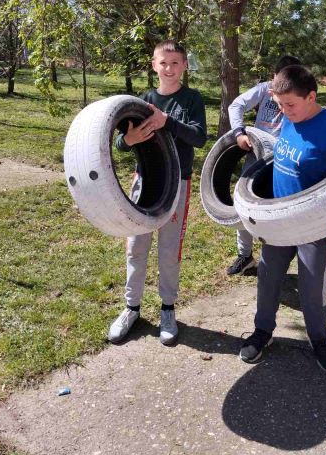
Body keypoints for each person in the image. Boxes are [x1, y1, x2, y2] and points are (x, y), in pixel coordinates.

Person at [239, 65, 326, 372]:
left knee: (312, 288)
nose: (284, 111)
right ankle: (263, 332)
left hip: (314, 227)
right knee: (268, 278)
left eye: (290, 105)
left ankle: (319, 340)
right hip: (278, 222)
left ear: (311, 96)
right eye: (279, 105)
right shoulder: (291, 116)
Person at [107, 40, 207, 346]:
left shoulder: (191, 99)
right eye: (163, 63)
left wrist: (168, 122)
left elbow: (199, 138)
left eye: (175, 63)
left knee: (168, 250)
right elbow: (120, 142)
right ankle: (131, 308)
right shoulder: (143, 99)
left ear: (185, 66)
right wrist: (131, 139)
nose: (169, 68)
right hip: (144, 182)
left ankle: (167, 310)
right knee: (136, 247)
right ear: (154, 65)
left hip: (177, 184)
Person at [226, 55, 301, 276]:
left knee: (276, 211)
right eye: (281, 81)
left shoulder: (299, 96)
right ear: (274, 77)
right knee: (243, 206)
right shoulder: (263, 89)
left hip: (282, 162)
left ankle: (274, 261)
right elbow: (236, 105)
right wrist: (239, 132)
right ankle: (244, 255)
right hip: (255, 156)